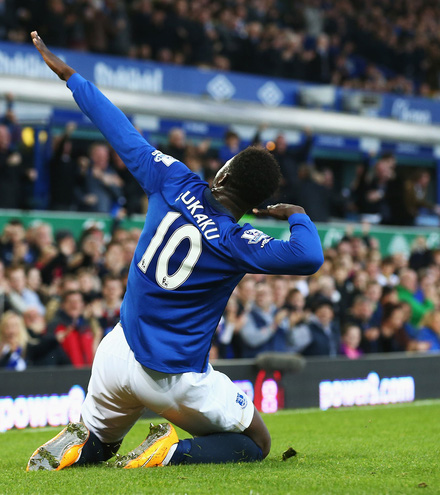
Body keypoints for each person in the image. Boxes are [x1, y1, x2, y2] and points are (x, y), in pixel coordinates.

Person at [26, 32, 323, 472]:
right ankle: (171, 451)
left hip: (115, 353)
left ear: (223, 171)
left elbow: (117, 128)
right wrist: (296, 213)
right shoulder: (236, 243)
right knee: (257, 441)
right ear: (254, 203)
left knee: (101, 446)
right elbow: (308, 256)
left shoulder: (172, 180)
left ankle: (87, 443)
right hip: (172, 379)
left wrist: (71, 77)